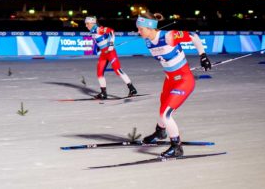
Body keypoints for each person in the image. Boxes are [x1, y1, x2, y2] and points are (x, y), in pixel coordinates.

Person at [136, 12, 212, 158]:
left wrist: (203, 56)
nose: (138, 31)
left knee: (166, 113)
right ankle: (160, 132)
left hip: (183, 80)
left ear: (150, 27)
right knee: (162, 109)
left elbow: (193, 36)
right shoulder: (148, 41)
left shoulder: (169, 36)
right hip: (169, 80)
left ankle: (177, 146)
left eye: (141, 29)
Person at [85, 16, 138, 99]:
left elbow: (111, 31)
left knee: (117, 70)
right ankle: (103, 93)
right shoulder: (92, 31)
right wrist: (98, 49)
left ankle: (132, 88)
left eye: (87, 23)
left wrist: (111, 45)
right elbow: (100, 41)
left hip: (110, 52)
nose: (86, 25)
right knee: (99, 72)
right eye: (86, 24)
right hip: (103, 53)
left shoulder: (98, 29)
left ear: (92, 23)